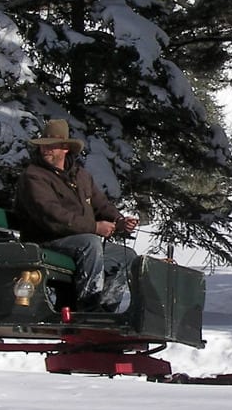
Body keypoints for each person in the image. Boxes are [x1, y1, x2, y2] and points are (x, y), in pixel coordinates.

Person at [14, 119, 139, 312]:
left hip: (78, 240)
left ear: (65, 148)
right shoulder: (34, 177)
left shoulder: (80, 175)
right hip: (46, 239)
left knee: (127, 256)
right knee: (90, 243)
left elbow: (101, 205)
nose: (46, 150)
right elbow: (53, 216)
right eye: (43, 147)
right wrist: (95, 227)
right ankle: (87, 308)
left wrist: (119, 221)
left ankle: (106, 309)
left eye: (52, 146)